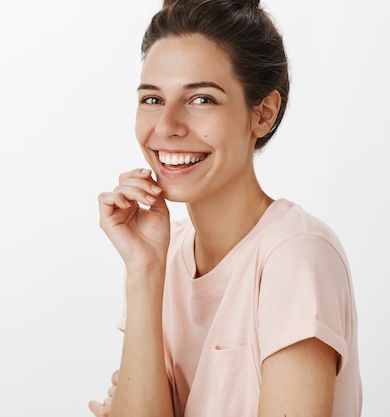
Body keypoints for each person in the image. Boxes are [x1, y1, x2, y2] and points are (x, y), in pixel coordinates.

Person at [88, 0, 362, 416]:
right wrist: (144, 271)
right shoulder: (164, 253)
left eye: (201, 100)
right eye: (152, 99)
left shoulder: (294, 256)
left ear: (263, 114)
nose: (166, 127)